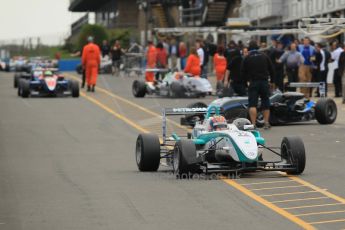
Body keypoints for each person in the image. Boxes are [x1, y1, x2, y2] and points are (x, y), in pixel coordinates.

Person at [241, 40, 275, 129]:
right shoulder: (264, 56)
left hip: (253, 82)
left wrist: (245, 83)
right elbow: (272, 69)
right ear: (257, 47)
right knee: (265, 102)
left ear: (249, 48)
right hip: (264, 82)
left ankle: (253, 124)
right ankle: (266, 123)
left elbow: (243, 72)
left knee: (252, 104)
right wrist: (272, 81)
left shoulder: (247, 57)